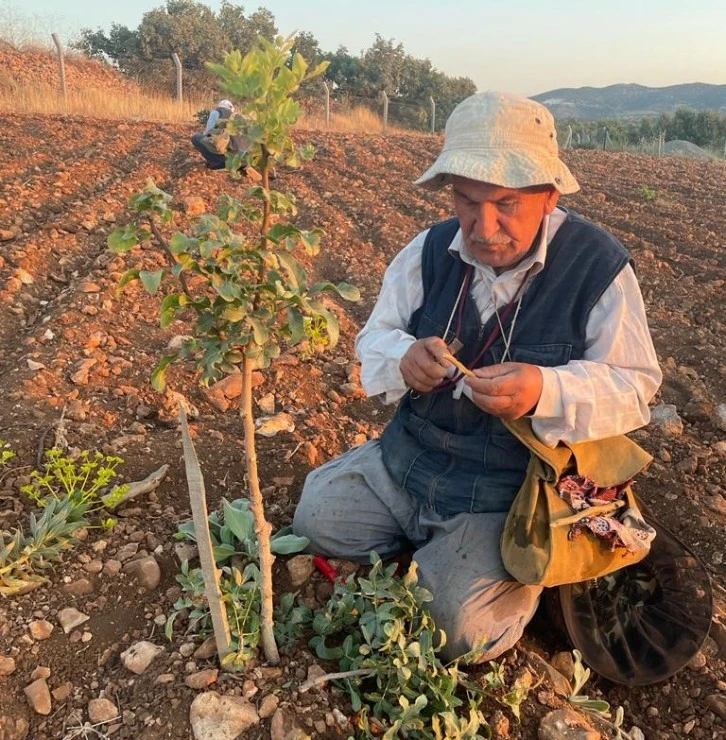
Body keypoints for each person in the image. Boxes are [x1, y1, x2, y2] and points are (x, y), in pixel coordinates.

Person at [293, 91, 662, 663]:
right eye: (466, 202)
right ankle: (433, 548)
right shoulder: (429, 250)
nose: (481, 227)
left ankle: (485, 567)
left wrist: (544, 389)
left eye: (506, 204)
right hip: (407, 461)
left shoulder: (597, 265)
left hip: (505, 494)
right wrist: (405, 358)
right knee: (315, 519)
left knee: (459, 631)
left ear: (549, 196)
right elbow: (375, 338)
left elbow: (635, 384)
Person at [191, 99, 235, 170]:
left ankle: (217, 163)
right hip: (232, 157)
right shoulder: (235, 119)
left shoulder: (215, 113)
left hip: (219, 153)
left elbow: (208, 131)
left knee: (196, 138)